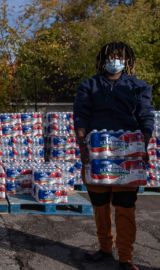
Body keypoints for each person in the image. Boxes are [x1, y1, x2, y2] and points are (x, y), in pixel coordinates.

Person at [73, 41, 154, 270]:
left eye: (119, 56)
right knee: (100, 205)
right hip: (96, 153)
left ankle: (126, 257)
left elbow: (145, 116)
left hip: (128, 154)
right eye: (110, 56)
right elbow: (81, 116)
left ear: (127, 60)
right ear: (102, 60)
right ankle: (105, 248)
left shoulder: (138, 86)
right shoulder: (89, 85)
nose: (114, 60)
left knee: (124, 206)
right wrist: (82, 148)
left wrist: (143, 146)